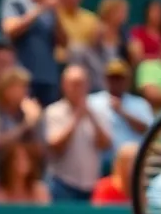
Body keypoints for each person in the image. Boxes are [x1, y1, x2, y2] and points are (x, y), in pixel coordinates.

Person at [43, 65, 114, 201]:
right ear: (64, 85)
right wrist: (76, 118)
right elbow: (56, 146)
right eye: (73, 84)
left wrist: (92, 117)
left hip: (92, 185)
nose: (78, 88)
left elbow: (105, 145)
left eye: (81, 84)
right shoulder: (53, 111)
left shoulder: (98, 112)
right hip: (63, 184)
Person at [0, 0, 62, 105]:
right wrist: (41, 8)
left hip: (48, 78)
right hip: (20, 76)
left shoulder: (53, 7)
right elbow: (9, 29)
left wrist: (57, 14)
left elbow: (62, 43)